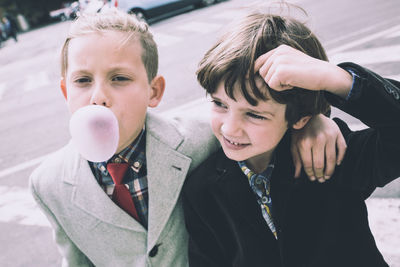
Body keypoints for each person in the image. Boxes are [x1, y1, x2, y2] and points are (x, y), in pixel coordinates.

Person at [29, 9, 346, 266]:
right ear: (65, 91)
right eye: (83, 80)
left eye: (119, 78)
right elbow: (75, 260)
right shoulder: (48, 183)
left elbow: (264, 125)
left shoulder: (204, 138)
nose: (98, 97)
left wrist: (315, 120)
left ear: (154, 91)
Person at [182, 8, 400, 267]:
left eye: (254, 115)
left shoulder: (329, 153)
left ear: (302, 117)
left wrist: (336, 79)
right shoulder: (203, 190)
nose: (230, 129)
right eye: (220, 104)